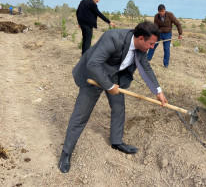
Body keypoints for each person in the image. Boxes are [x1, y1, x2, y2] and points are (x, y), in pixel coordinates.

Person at [58, 21, 168, 173]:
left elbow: (146, 67)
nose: (152, 47)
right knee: (80, 115)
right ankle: (66, 153)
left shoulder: (141, 49)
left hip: (114, 75)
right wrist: (109, 86)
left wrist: (158, 92)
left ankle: (116, 142)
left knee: (118, 108)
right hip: (94, 76)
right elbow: (93, 64)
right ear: (141, 38)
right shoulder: (113, 38)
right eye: (151, 43)